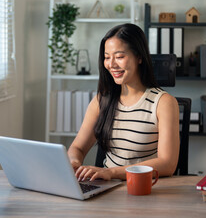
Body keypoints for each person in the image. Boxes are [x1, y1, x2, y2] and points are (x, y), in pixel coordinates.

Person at [67, 23, 180, 181]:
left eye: (119, 57)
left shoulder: (164, 103)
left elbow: (167, 164)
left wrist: (112, 172)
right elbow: (77, 147)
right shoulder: (102, 100)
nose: (111, 64)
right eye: (107, 57)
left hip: (145, 189)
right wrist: (74, 162)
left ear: (139, 57)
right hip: (107, 189)